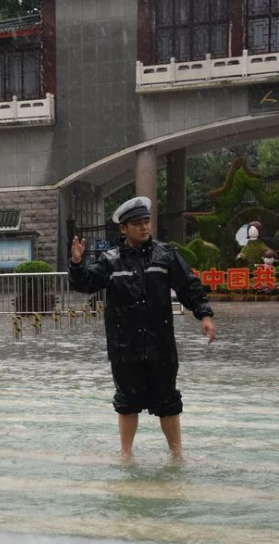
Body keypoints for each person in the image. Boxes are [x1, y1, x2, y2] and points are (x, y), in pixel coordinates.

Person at [69, 197, 216, 462]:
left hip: (160, 343)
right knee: (127, 401)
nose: (144, 227)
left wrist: (204, 314)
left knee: (168, 400)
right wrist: (78, 264)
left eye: (146, 222)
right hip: (124, 345)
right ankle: (126, 454)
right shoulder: (111, 261)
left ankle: (176, 453)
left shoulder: (165, 254)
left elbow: (189, 286)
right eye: (137, 223)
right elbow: (87, 284)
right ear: (123, 229)